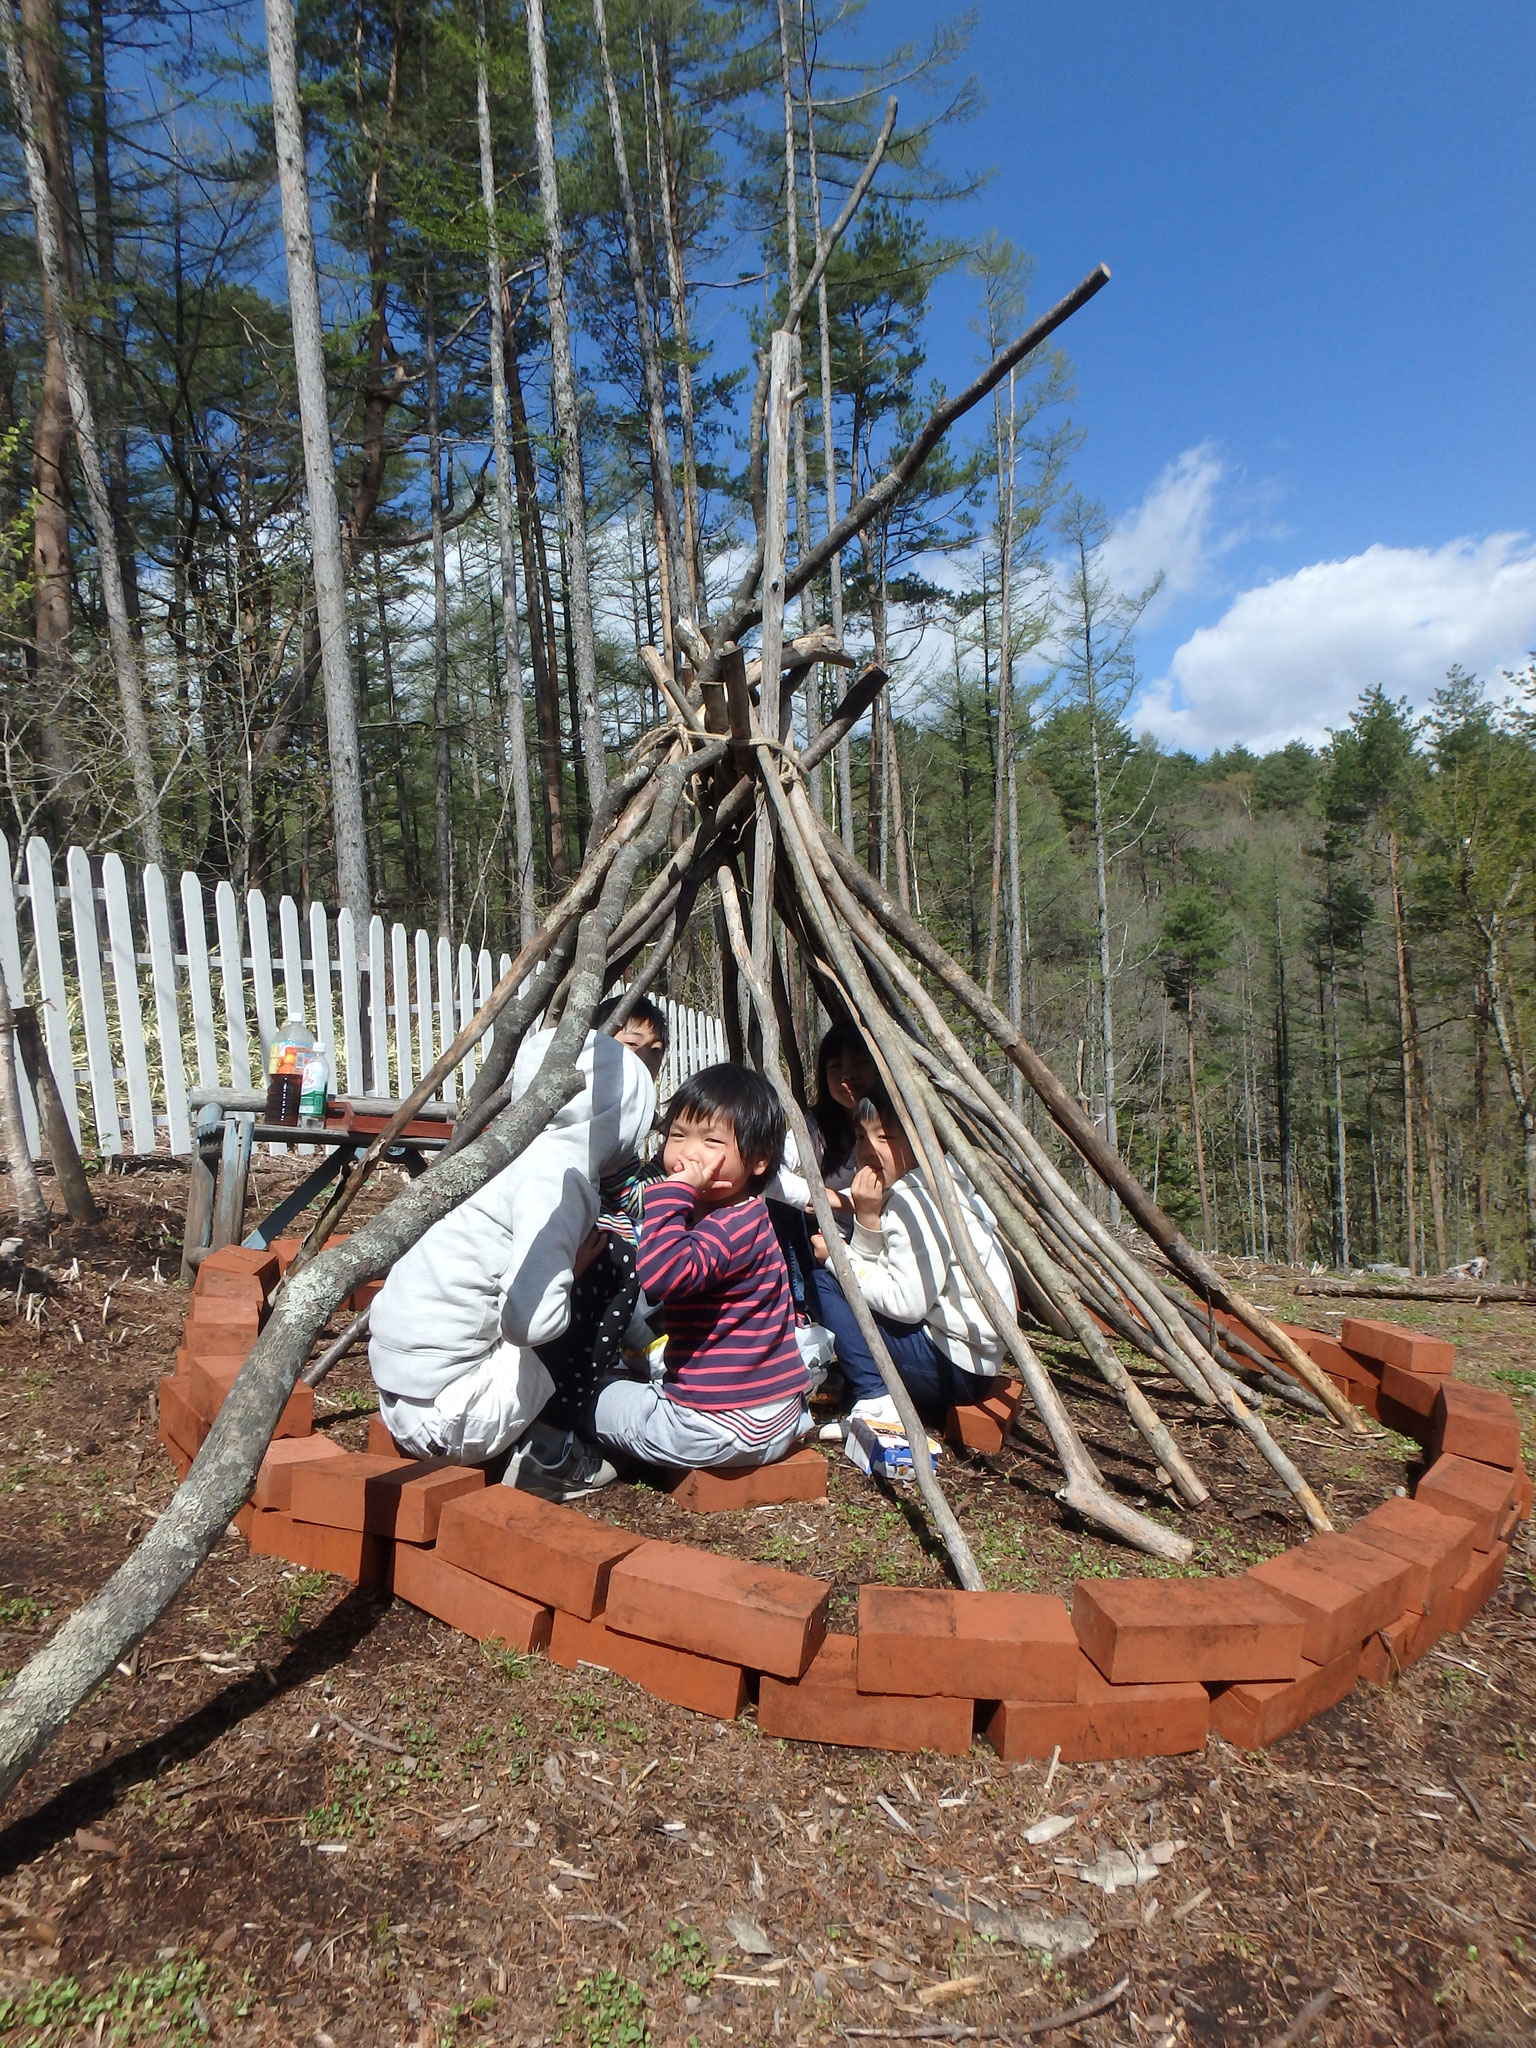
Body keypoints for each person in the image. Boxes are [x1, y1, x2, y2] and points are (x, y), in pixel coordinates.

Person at [367, 1026, 655, 1493]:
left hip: (401, 1395)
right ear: (619, 1118)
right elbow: (530, 1324)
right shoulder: (559, 1175)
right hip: (456, 1418)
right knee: (611, 1259)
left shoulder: (502, 1149)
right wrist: (573, 1276)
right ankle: (550, 1452)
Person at [586, 1062, 812, 1473]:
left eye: (711, 1140)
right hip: (778, 1415)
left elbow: (660, 1275)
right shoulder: (748, 1216)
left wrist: (672, 1194)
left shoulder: (727, 1229)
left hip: (717, 1425)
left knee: (594, 1397)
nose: (689, 1152)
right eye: (677, 1135)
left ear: (760, 1160)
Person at [809, 1084, 1014, 1427]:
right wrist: (868, 1218)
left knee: (824, 1281)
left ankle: (874, 1395)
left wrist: (838, 1258)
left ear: (920, 1140)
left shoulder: (914, 1202)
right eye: (861, 1137)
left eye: (885, 1137)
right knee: (843, 1277)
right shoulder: (936, 1182)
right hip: (974, 1359)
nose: (869, 1151)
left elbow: (905, 1305)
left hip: (954, 1368)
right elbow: (889, 1273)